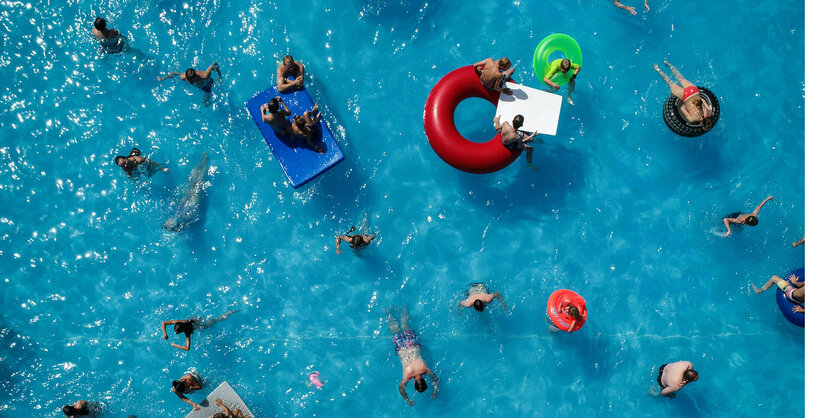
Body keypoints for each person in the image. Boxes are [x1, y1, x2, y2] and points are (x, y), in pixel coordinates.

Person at [386, 307, 439, 406]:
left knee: (405, 324)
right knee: (395, 329)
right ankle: (387, 312)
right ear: (414, 383)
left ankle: (403, 307)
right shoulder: (407, 375)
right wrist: (408, 399)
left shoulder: (425, 369)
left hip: (413, 344)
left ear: (423, 380)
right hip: (402, 347)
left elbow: (435, 379)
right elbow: (401, 390)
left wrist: (435, 389)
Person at [653, 61, 714, 131]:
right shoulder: (692, 119)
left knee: (680, 77)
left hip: (694, 91)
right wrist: (684, 103)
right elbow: (681, 108)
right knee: (670, 82)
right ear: (702, 124)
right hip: (685, 96)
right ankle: (657, 69)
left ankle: (668, 64)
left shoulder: (710, 112)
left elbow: (703, 100)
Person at [165, 153, 209, 232]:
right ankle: (205, 163)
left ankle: (201, 162)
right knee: (198, 182)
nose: (168, 222)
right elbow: (185, 225)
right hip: (192, 206)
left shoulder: (175, 216)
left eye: (167, 223)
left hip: (183, 205)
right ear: (174, 226)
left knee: (193, 182)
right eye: (169, 225)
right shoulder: (183, 222)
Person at [161, 310, 238, 351]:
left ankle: (229, 313)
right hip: (195, 319)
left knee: (216, 320)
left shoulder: (187, 332)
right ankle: (231, 311)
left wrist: (175, 345)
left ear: (183, 331)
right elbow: (163, 323)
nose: (176, 333)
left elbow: (187, 348)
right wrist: (165, 334)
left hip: (201, 326)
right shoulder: (178, 321)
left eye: (178, 332)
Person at [158, 63, 222, 105]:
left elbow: (214, 65)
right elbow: (174, 74)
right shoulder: (184, 77)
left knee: (205, 103)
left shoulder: (204, 76)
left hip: (207, 86)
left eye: (191, 79)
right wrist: (163, 78)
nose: (189, 81)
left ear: (195, 76)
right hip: (200, 87)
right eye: (188, 79)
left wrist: (219, 77)